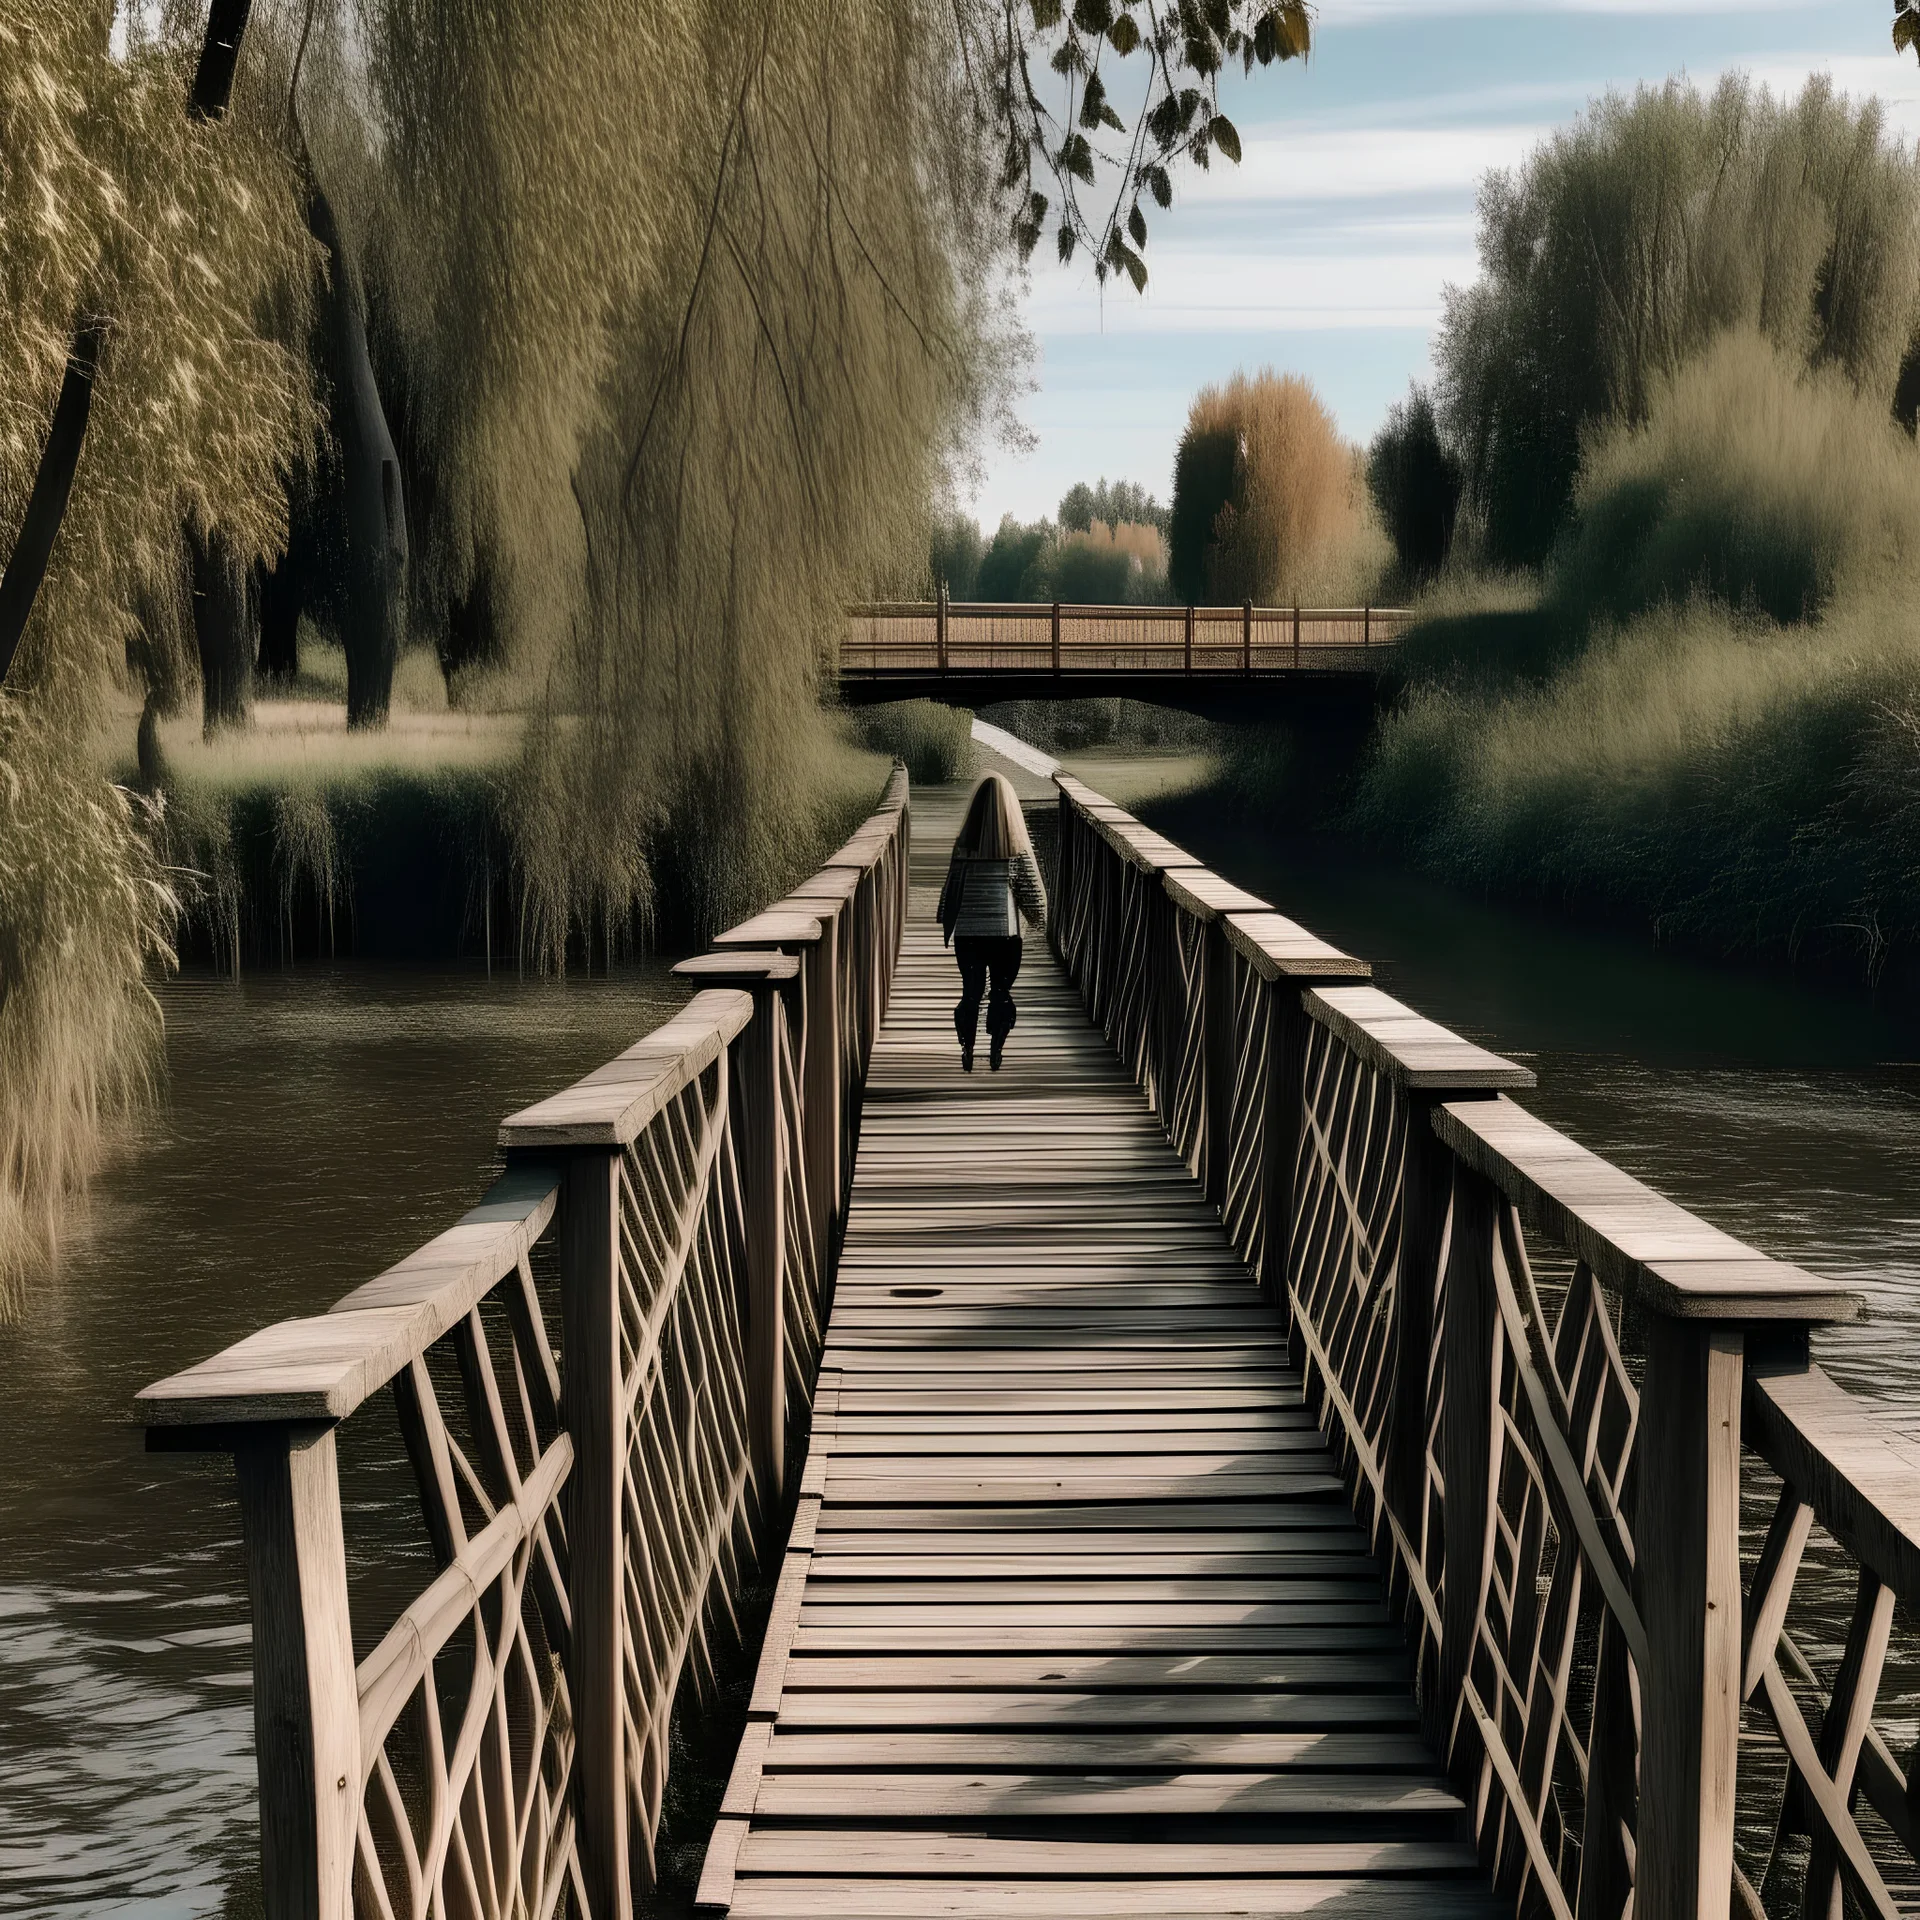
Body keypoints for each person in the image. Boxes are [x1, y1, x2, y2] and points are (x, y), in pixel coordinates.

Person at [937, 772, 1048, 1071]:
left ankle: (967, 1048)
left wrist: (946, 919)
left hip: (969, 935)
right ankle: (996, 1046)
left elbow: (949, 894)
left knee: (970, 992)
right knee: (1000, 990)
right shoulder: (1015, 852)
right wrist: (1036, 920)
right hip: (1005, 937)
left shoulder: (962, 849)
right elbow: (1035, 901)